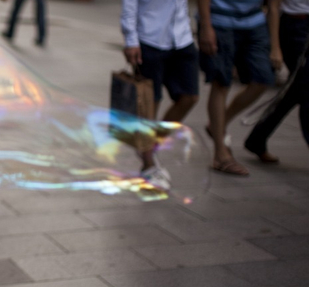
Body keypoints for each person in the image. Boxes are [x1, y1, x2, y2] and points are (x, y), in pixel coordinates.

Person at [120, 0, 199, 189]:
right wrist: (131, 40)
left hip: (182, 38)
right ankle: (148, 164)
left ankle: (150, 144)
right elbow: (129, 4)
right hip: (150, 38)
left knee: (189, 97)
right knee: (150, 103)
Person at [198, 0, 282, 176]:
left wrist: (275, 46)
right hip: (219, 21)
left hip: (255, 22)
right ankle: (220, 154)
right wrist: (206, 26)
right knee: (221, 83)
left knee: (263, 78)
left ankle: (217, 125)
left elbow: (274, 6)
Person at [244, 0, 309, 163]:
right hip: (295, 26)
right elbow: (273, 7)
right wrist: (275, 47)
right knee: (304, 88)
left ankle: (257, 139)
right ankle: (257, 139)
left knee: (296, 89)